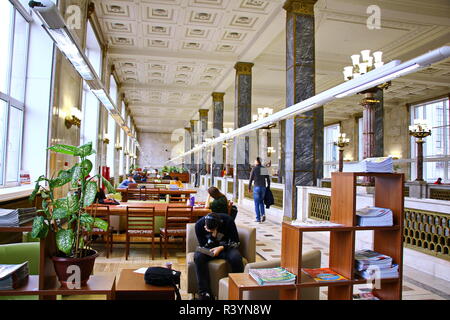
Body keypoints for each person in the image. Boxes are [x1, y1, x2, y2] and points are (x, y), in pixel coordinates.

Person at [194, 213, 243, 300]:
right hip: (209, 249)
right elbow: (203, 245)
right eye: (209, 230)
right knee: (198, 257)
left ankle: (238, 288)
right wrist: (212, 236)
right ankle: (205, 293)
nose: (211, 231)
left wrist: (221, 247)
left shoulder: (228, 221)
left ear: (219, 224)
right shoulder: (199, 225)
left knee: (236, 257)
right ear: (205, 225)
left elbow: (236, 242)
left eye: (213, 229)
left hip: (225, 248)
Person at [248, 157, 270, 223]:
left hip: (256, 187)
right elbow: (268, 178)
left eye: (255, 161)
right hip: (263, 187)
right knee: (261, 202)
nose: (254, 162)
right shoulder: (263, 168)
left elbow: (251, 179)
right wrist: (268, 186)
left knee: (256, 203)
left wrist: (249, 187)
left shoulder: (254, 169)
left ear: (257, 161)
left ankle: (258, 218)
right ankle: (263, 214)